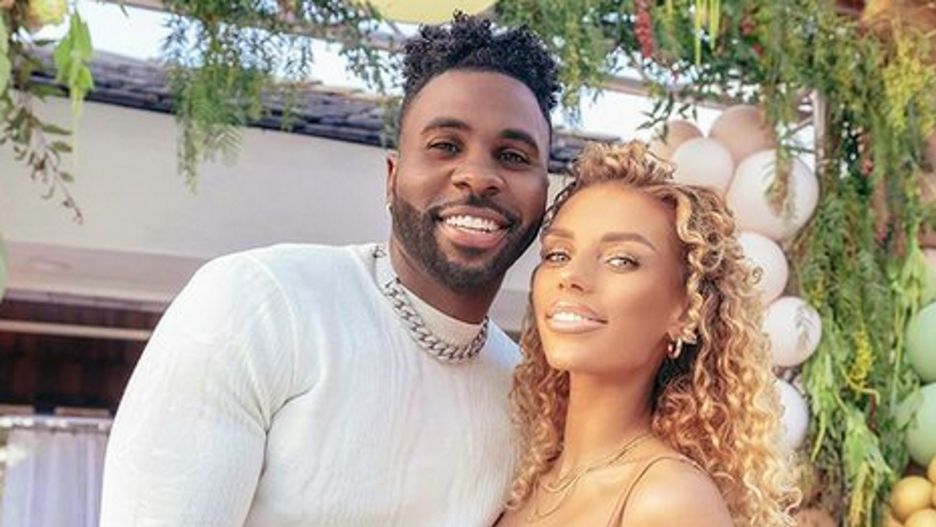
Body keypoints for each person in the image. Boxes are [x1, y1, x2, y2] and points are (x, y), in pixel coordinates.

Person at [100, 14, 560, 527]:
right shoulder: (260, 304)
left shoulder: (525, 393)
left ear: (545, 194)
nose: (477, 175)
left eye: (513, 155)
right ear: (392, 178)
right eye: (445, 146)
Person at [495, 142, 800, 527]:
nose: (571, 276)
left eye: (621, 260)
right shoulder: (530, 478)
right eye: (558, 254)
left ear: (686, 310)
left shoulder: (668, 499)